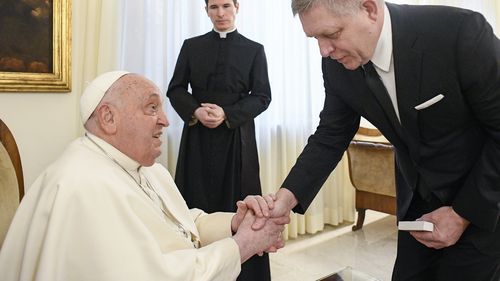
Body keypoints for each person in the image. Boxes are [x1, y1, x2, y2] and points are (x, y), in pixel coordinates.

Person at [265, 0, 500, 280]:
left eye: (332, 34)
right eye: (315, 38)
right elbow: (331, 135)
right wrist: (285, 198)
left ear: (369, 9)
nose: (324, 50)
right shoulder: (336, 65)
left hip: (482, 200)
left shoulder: (460, 33)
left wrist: (462, 214)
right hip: (417, 206)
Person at [0, 71, 288, 281]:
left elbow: (183, 224)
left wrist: (236, 223)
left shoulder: (144, 167)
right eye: (152, 108)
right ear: (108, 118)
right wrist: (242, 245)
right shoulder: (82, 186)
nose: (165, 120)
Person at [166, 0, 273, 280]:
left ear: (238, 7)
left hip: (237, 138)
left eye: (226, 5)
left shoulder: (254, 50)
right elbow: (175, 89)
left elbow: (263, 96)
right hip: (197, 139)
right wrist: (195, 110)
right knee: (195, 203)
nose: (221, 13)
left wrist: (228, 113)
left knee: (238, 206)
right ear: (206, 11)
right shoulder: (191, 46)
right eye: (214, 7)